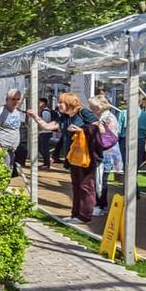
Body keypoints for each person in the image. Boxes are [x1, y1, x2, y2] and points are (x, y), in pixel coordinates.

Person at [28, 93, 99, 223]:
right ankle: (76, 214)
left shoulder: (83, 113)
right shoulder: (65, 117)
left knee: (86, 186)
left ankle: (85, 215)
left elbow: (99, 127)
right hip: (73, 156)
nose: (58, 104)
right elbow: (48, 126)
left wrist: (81, 130)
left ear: (70, 103)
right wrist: (35, 117)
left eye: (61, 102)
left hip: (86, 155)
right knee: (76, 185)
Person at [88, 94, 123, 217]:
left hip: (106, 153)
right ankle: (100, 204)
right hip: (103, 152)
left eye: (93, 107)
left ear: (100, 106)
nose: (92, 110)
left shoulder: (108, 117)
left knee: (101, 180)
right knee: (99, 179)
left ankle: (101, 205)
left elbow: (111, 136)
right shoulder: (104, 116)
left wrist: (99, 128)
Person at [0, 89, 25, 173]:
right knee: (2, 173)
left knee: (8, 172)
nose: (16, 101)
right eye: (13, 99)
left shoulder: (16, 111)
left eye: (18, 99)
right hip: (2, 148)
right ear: (7, 100)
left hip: (11, 149)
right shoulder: (2, 112)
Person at [36, 97, 54, 169]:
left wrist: (40, 127)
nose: (38, 104)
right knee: (41, 148)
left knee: (44, 148)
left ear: (44, 103)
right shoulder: (42, 111)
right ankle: (45, 162)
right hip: (42, 132)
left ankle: (47, 164)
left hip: (45, 132)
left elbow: (46, 122)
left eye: (39, 102)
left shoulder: (45, 111)